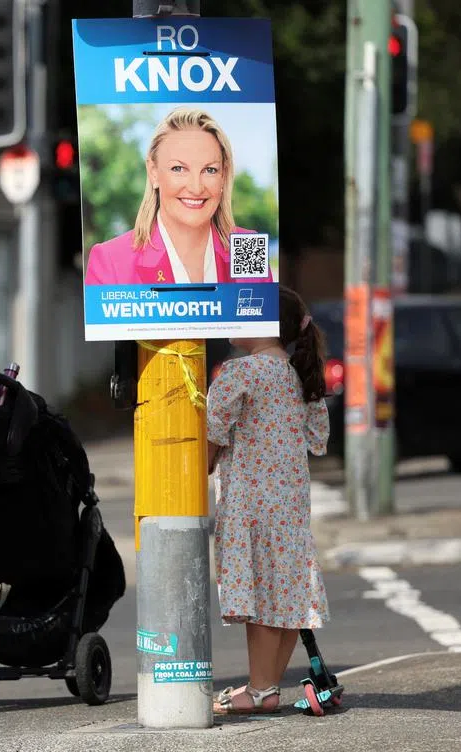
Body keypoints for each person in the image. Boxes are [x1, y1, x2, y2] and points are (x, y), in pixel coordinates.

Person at [205, 285, 330, 715]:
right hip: (291, 504)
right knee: (287, 594)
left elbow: (213, 439)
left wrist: (202, 465)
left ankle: (259, 690)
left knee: (258, 596)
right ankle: (267, 686)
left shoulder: (239, 373)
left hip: (250, 502)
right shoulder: (299, 374)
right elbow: (317, 439)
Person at [84, 107, 276, 287]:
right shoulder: (111, 260)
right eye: (179, 169)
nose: (195, 187)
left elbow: (263, 320)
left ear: (223, 175)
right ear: (154, 173)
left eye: (210, 170)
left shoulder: (247, 248)